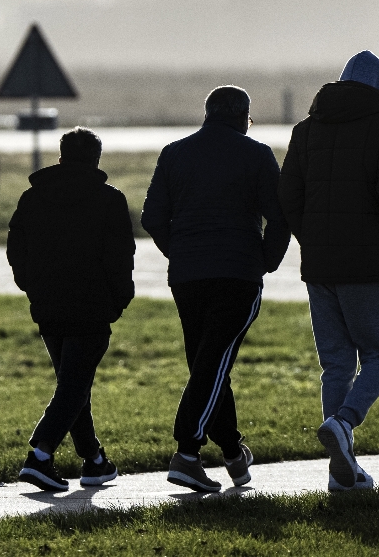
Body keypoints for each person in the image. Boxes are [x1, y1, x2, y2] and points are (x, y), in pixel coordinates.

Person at [140, 85, 290, 494]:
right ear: (243, 117)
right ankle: (187, 453)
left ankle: (233, 454)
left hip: (187, 276)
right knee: (212, 362)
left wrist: (182, 250)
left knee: (207, 362)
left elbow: (152, 217)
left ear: (207, 114)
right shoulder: (256, 154)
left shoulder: (175, 152)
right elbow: (279, 216)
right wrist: (266, 261)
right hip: (237, 272)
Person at [279, 50, 379, 493]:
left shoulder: (306, 130)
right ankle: (344, 422)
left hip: (319, 265)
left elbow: (289, 196)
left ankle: (343, 470)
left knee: (336, 365)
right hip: (371, 264)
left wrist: (310, 240)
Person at [5, 126, 136, 492]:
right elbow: (120, 256)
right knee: (75, 385)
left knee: (73, 384)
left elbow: (17, 249)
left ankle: (93, 459)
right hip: (92, 305)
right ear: (96, 159)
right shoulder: (109, 200)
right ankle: (40, 454)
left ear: (61, 156)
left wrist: (32, 286)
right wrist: (119, 299)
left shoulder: (33, 198)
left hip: (48, 305)